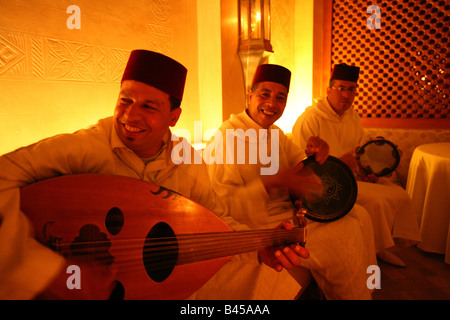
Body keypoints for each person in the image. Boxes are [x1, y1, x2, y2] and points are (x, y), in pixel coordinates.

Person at [0, 50, 308, 300]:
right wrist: (47, 270)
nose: (131, 115)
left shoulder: (185, 157)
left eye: (149, 106)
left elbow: (215, 216)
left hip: (151, 278)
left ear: (174, 116)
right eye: (125, 100)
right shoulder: (83, 149)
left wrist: (258, 246)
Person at [203, 64, 378, 300]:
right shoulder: (226, 139)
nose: (272, 104)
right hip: (258, 223)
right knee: (344, 233)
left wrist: (316, 151)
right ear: (250, 95)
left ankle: (365, 289)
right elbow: (222, 207)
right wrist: (272, 183)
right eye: (265, 94)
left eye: (280, 98)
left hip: (286, 213)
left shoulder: (274, 134)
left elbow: (301, 163)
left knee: (360, 215)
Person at [292, 63, 421, 266]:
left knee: (399, 193)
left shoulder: (353, 116)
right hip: (325, 186)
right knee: (377, 201)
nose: (346, 95)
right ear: (328, 90)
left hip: (352, 177)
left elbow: (359, 153)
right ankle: (376, 250)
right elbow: (302, 165)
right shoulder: (311, 119)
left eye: (351, 89)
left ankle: (383, 245)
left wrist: (365, 171)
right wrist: (342, 163)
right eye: (341, 88)